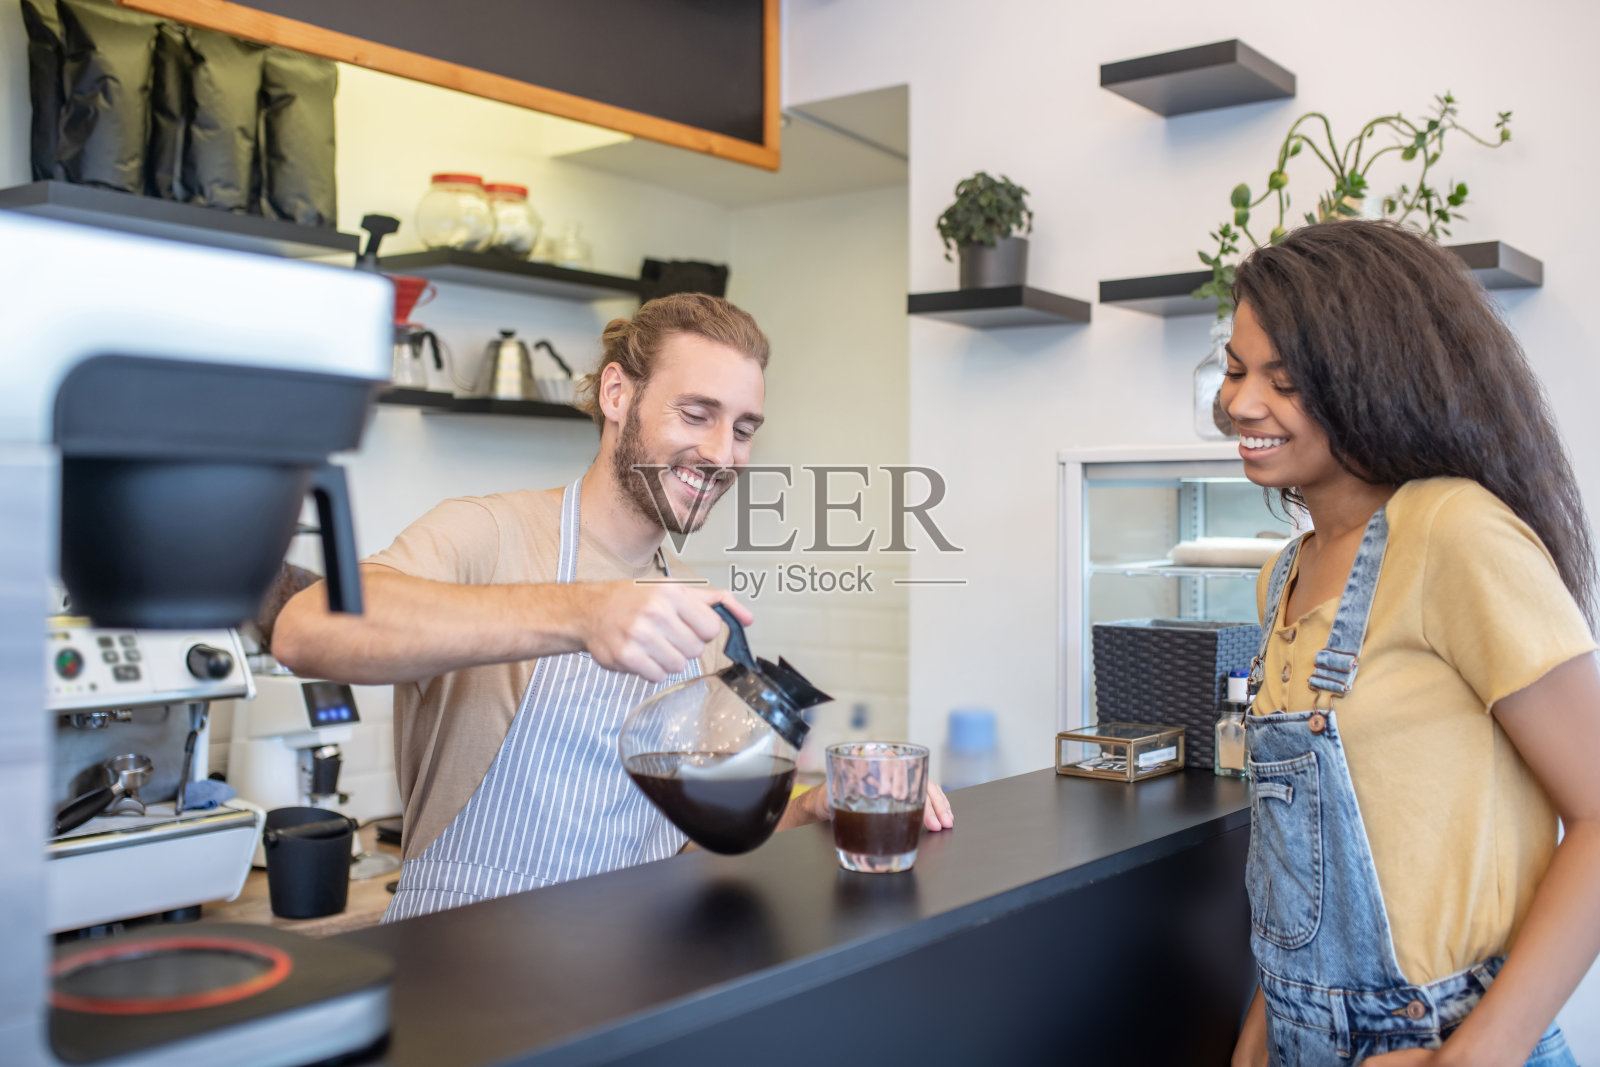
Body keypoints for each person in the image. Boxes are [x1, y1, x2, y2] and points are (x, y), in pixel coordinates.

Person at [274, 293, 953, 920]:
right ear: (617, 393)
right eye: (696, 414)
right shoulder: (490, 534)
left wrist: (814, 811)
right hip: (461, 958)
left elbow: (682, 845)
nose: (722, 453)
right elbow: (304, 629)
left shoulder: (698, 609)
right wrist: (582, 613)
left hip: (633, 969)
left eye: (744, 428)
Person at [1219, 220, 1600, 1067]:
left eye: (1285, 381)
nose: (1241, 404)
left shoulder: (1455, 533)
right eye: (1237, 369)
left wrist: (1473, 1055)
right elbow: (1307, 872)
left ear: (1373, 380)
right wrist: (1263, 1027)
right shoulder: (1282, 576)